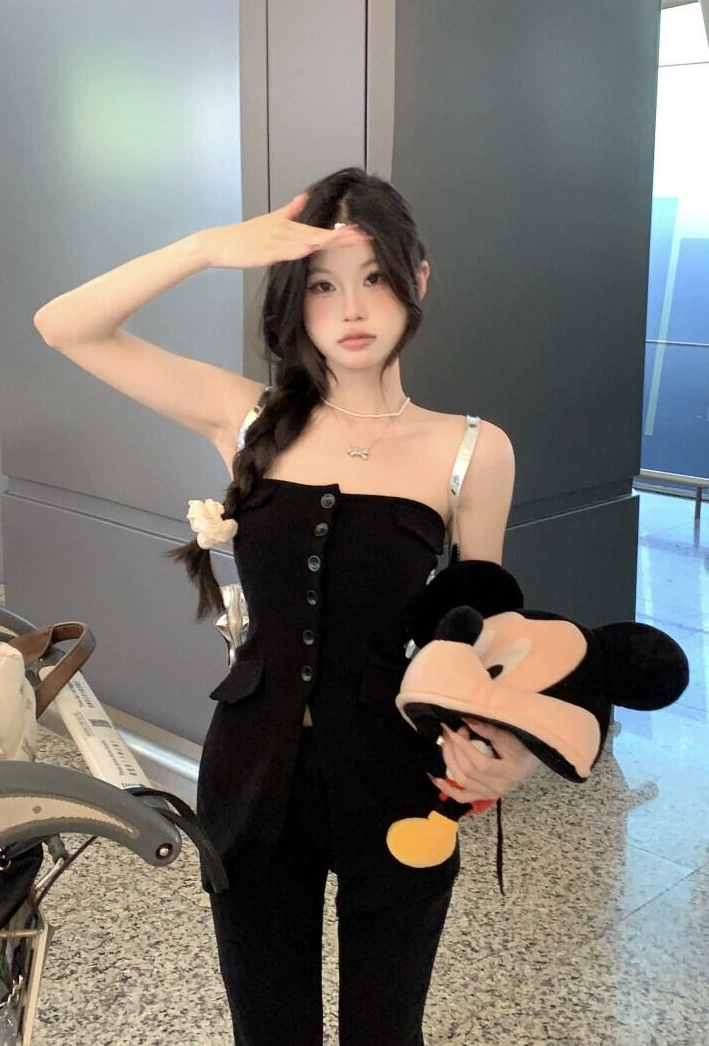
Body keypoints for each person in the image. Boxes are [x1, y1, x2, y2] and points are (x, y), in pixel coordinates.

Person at [34, 166, 538, 1045]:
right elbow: (64, 325)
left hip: (398, 773)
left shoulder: (471, 450)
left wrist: (508, 747)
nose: (353, 308)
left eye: (375, 277)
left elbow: (486, 628)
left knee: (387, 1029)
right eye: (322, 285)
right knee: (268, 1028)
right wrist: (205, 248)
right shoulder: (244, 416)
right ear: (293, 300)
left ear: (418, 279)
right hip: (252, 772)